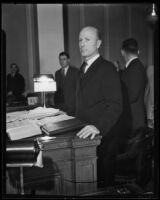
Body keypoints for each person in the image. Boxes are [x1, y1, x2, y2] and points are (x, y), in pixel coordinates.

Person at [76, 26, 128, 187]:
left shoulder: (107, 68)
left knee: (103, 185)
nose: (82, 44)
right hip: (85, 136)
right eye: (80, 40)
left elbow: (116, 105)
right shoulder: (82, 68)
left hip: (103, 139)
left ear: (98, 43)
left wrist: (98, 127)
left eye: (87, 39)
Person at [120, 38, 147, 134]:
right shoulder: (134, 67)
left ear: (123, 52)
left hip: (133, 122)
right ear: (137, 51)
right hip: (132, 121)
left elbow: (132, 96)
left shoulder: (134, 68)